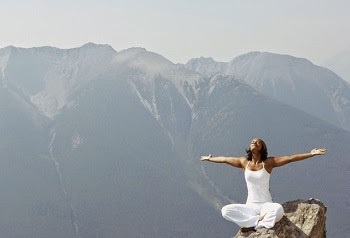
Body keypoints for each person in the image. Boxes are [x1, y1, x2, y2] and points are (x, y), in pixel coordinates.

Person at [200, 138, 326, 232]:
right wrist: (210, 159)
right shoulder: (244, 162)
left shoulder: (268, 163)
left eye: (257, 142)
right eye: (252, 141)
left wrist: (311, 153)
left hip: (266, 205)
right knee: (225, 211)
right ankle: (256, 222)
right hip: (250, 207)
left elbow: (290, 158)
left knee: (278, 210)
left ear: (262, 148)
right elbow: (225, 160)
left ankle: (256, 225)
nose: (254, 142)